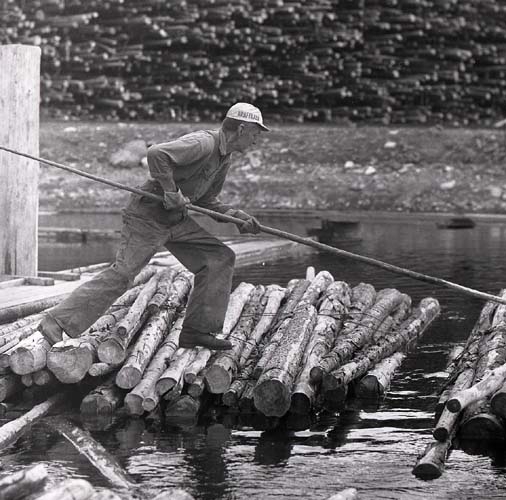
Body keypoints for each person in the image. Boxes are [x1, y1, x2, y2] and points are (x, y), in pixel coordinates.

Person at [38, 102, 270, 350]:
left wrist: (237, 217)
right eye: (256, 133)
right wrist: (170, 190)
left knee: (219, 258)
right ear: (242, 128)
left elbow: (207, 201)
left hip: (175, 220)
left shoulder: (224, 158)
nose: (257, 140)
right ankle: (55, 321)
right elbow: (156, 154)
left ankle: (197, 331)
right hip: (146, 216)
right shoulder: (204, 143)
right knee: (123, 275)